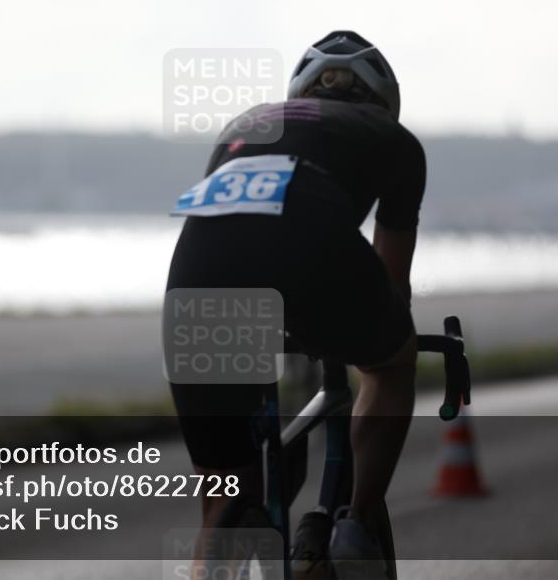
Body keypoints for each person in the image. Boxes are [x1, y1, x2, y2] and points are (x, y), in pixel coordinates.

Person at [166, 31, 426, 579]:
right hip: (312, 236)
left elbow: (241, 233)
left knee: (223, 500)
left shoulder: (246, 123)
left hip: (199, 261)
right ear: (383, 101)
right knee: (390, 362)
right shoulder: (395, 140)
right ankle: (356, 525)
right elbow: (391, 284)